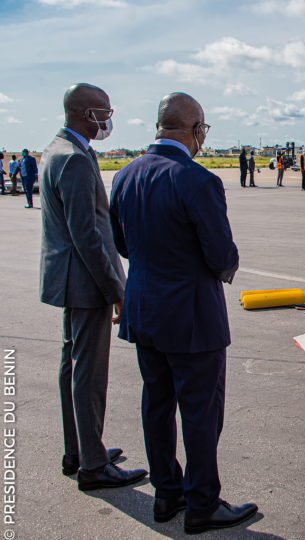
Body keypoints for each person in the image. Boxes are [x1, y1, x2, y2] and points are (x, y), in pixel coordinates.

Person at [110, 92, 257, 534]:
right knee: (200, 412)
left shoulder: (125, 175)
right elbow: (220, 255)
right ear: (194, 129)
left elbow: (121, 244)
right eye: (203, 131)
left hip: (144, 310)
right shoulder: (198, 181)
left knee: (156, 404)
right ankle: (203, 503)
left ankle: (166, 494)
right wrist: (226, 266)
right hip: (192, 317)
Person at [39, 83, 147, 492]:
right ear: (87, 113)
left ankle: (80, 450)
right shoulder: (77, 160)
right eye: (104, 111)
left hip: (67, 278)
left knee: (72, 366)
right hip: (85, 282)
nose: (108, 119)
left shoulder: (57, 150)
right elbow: (89, 236)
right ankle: (94, 465)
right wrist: (115, 290)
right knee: (88, 373)